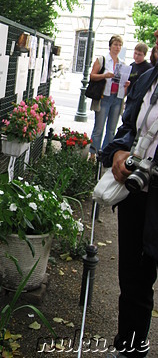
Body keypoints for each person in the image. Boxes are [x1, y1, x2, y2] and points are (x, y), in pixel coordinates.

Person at [102, 30, 158, 358]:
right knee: (130, 276)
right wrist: (119, 154)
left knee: (145, 275)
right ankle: (127, 345)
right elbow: (127, 129)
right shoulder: (148, 79)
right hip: (134, 192)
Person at [88, 35, 129, 161]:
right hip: (104, 97)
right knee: (99, 127)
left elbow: (123, 83)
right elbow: (92, 76)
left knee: (111, 129)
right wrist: (105, 75)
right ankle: (93, 154)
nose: (117, 47)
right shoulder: (102, 60)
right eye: (115, 44)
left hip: (117, 98)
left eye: (119, 45)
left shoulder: (122, 64)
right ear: (110, 45)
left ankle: (105, 154)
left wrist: (126, 85)